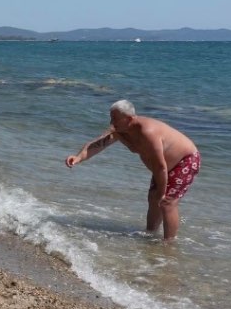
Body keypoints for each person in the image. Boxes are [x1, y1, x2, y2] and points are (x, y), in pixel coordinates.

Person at [64, 100, 200, 241]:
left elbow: (160, 166)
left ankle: (169, 245)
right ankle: (150, 235)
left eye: (115, 118)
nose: (112, 122)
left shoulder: (147, 132)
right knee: (153, 198)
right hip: (162, 167)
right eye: (111, 117)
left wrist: (161, 193)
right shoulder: (118, 131)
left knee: (166, 202)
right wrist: (78, 157)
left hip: (185, 161)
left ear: (128, 119)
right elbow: (97, 144)